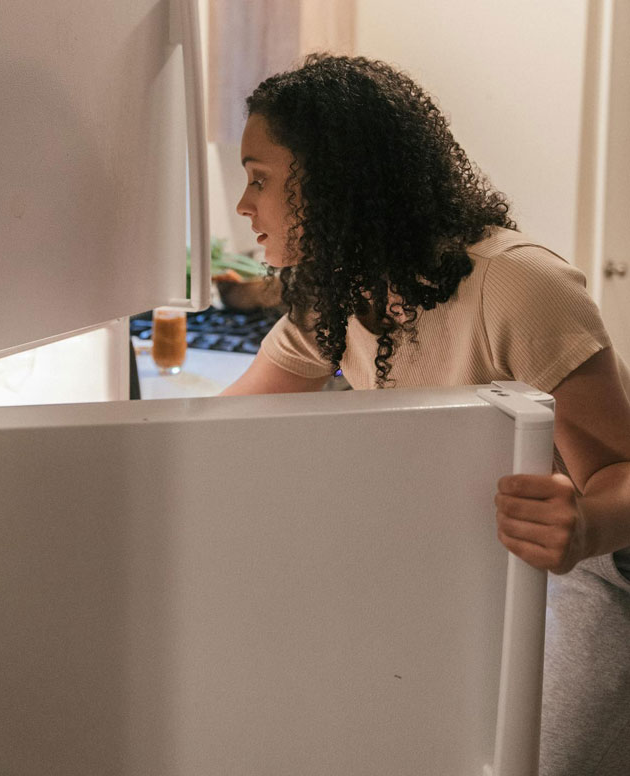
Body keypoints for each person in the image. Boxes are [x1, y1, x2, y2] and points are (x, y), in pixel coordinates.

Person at [222, 53, 630, 775]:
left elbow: (622, 473)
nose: (243, 205)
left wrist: (588, 525)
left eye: (259, 178)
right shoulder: (336, 294)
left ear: (335, 183)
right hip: (474, 565)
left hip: (595, 573)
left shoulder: (517, 285)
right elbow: (226, 428)